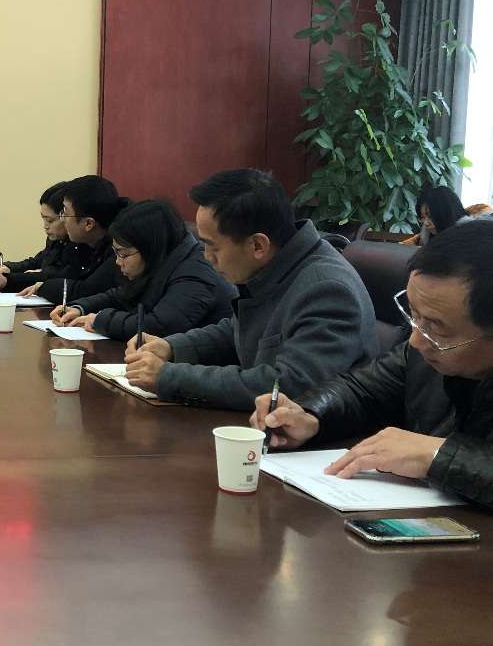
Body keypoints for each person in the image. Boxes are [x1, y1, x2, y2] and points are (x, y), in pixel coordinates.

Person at [251, 222, 493, 508]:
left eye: (437, 329)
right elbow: (361, 390)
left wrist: (439, 456)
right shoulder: (423, 353)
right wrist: (310, 416)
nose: (415, 340)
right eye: (413, 314)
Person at [123, 168, 378, 411]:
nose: (207, 256)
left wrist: (169, 377)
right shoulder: (280, 266)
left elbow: (290, 386)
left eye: (213, 247)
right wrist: (172, 347)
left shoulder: (326, 289)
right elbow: (240, 331)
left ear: (258, 245)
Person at [57, 199, 236, 340]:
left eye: (123, 254)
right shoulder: (162, 261)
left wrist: (99, 320)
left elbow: (160, 326)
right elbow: (120, 295)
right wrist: (80, 308)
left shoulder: (196, 271)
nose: (118, 262)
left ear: (150, 248)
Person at [0, 175, 126, 309]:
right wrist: (8, 279)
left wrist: (44, 286)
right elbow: (65, 277)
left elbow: (85, 290)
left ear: (89, 224)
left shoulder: (120, 246)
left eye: (65, 214)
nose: (63, 220)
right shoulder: (86, 243)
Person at [0, 181, 83, 294]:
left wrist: (8, 280)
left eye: (50, 220)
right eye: (43, 218)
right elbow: (38, 261)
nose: (45, 226)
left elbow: (56, 275)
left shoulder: (81, 243)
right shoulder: (57, 239)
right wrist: (8, 268)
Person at [402, 186, 470, 246]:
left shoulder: (467, 239)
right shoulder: (423, 238)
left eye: (430, 216)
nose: (426, 223)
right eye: (422, 217)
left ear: (446, 213)